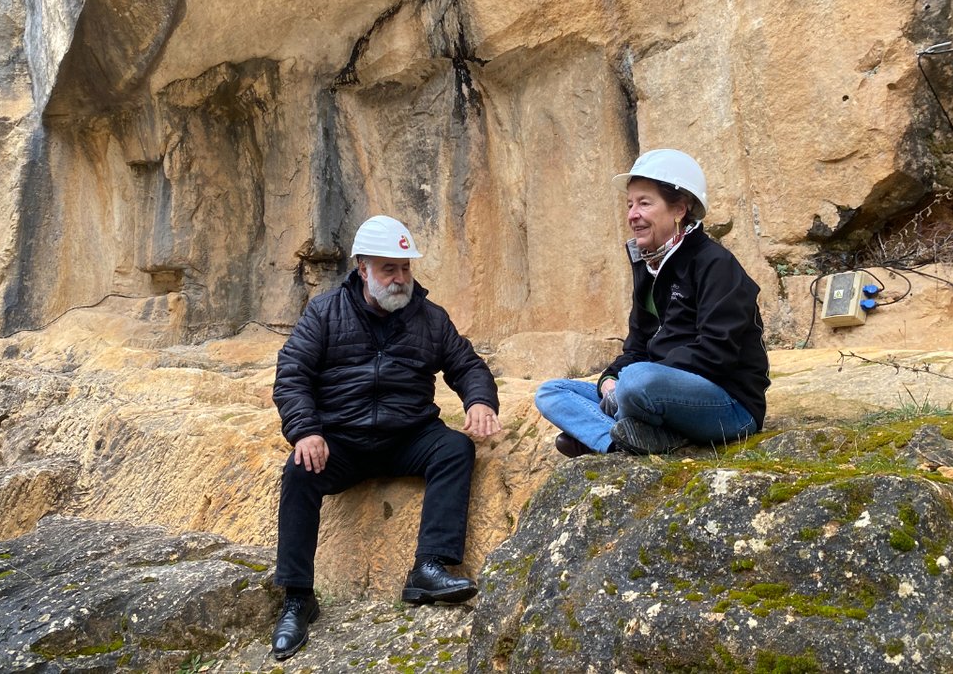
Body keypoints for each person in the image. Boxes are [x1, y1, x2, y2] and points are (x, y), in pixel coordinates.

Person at [269, 214, 502, 661]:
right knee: (299, 468)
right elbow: (292, 375)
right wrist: (307, 430)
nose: (399, 279)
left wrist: (479, 402)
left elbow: (467, 365)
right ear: (362, 269)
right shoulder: (324, 312)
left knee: (454, 448)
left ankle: (428, 569)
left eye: (405, 268)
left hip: (408, 436)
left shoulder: (431, 318)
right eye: (388, 269)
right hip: (340, 439)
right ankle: (298, 598)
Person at [535, 149, 769, 457]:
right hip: (651, 392)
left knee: (637, 380)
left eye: (644, 203)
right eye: (630, 204)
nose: (632, 214)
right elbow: (636, 348)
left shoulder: (715, 263)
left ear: (680, 209)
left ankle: (604, 433)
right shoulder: (649, 268)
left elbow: (717, 354)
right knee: (553, 392)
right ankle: (620, 441)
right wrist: (609, 380)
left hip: (730, 405)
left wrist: (633, 379)